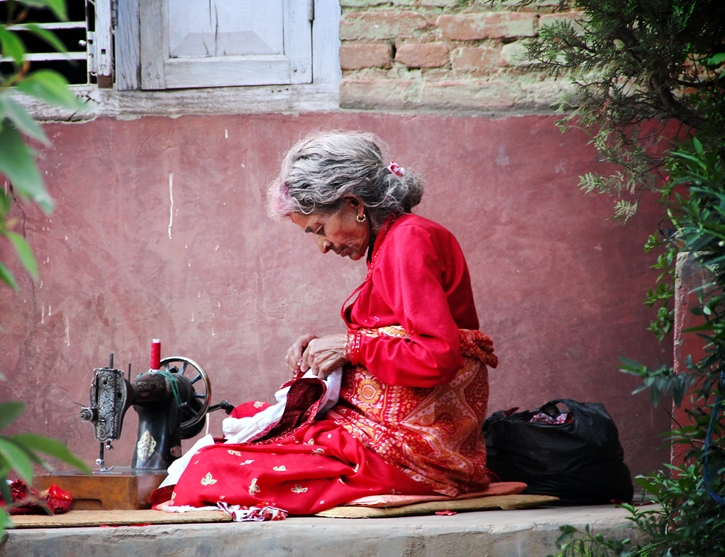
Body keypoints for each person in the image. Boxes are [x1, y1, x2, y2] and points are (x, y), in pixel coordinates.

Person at [167, 131, 498, 516]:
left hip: (413, 450)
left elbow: (437, 356)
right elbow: (393, 334)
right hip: (382, 432)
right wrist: (327, 347)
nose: (323, 247)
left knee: (213, 468)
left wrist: (350, 347)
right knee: (245, 418)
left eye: (319, 229)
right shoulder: (394, 242)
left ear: (354, 204)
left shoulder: (409, 241)